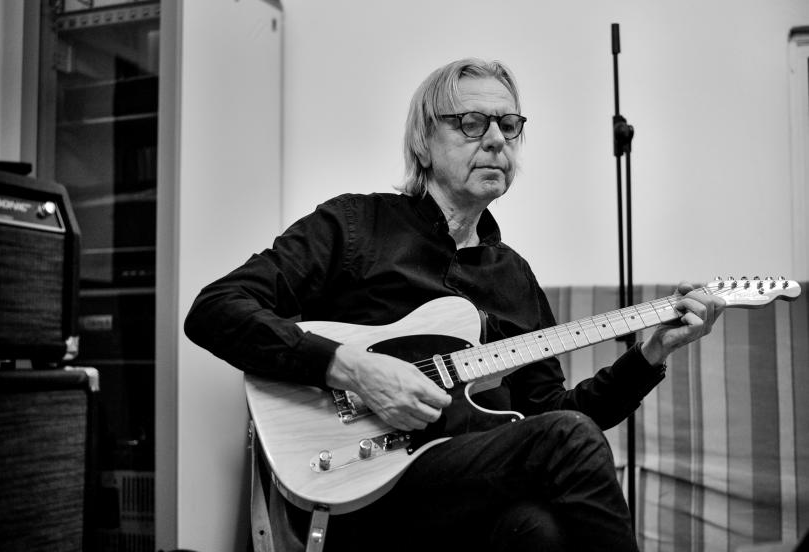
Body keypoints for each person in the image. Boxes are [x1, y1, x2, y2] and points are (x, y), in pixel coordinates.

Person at [184, 58, 725, 552]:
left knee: (541, 528)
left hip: (468, 494)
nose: (496, 140)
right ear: (422, 143)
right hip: (359, 488)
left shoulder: (513, 277)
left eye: (508, 125)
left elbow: (556, 414)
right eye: (471, 123)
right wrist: (352, 369)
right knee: (565, 444)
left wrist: (651, 354)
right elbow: (216, 309)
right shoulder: (355, 226)